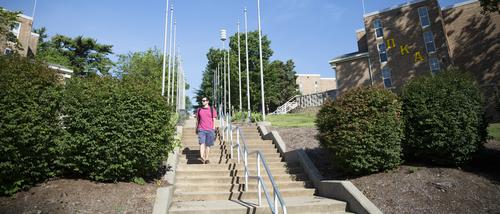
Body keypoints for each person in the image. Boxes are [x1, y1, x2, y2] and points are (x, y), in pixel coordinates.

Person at [196, 97, 217, 164]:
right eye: (202, 100)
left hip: (210, 129)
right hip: (201, 129)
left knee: (208, 145)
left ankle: (207, 158)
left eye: (204, 100)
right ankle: (202, 156)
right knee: (201, 143)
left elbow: (214, 119)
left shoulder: (212, 109)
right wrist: (196, 128)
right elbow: (197, 120)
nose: (203, 102)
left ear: (207, 101)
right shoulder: (199, 110)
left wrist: (213, 128)